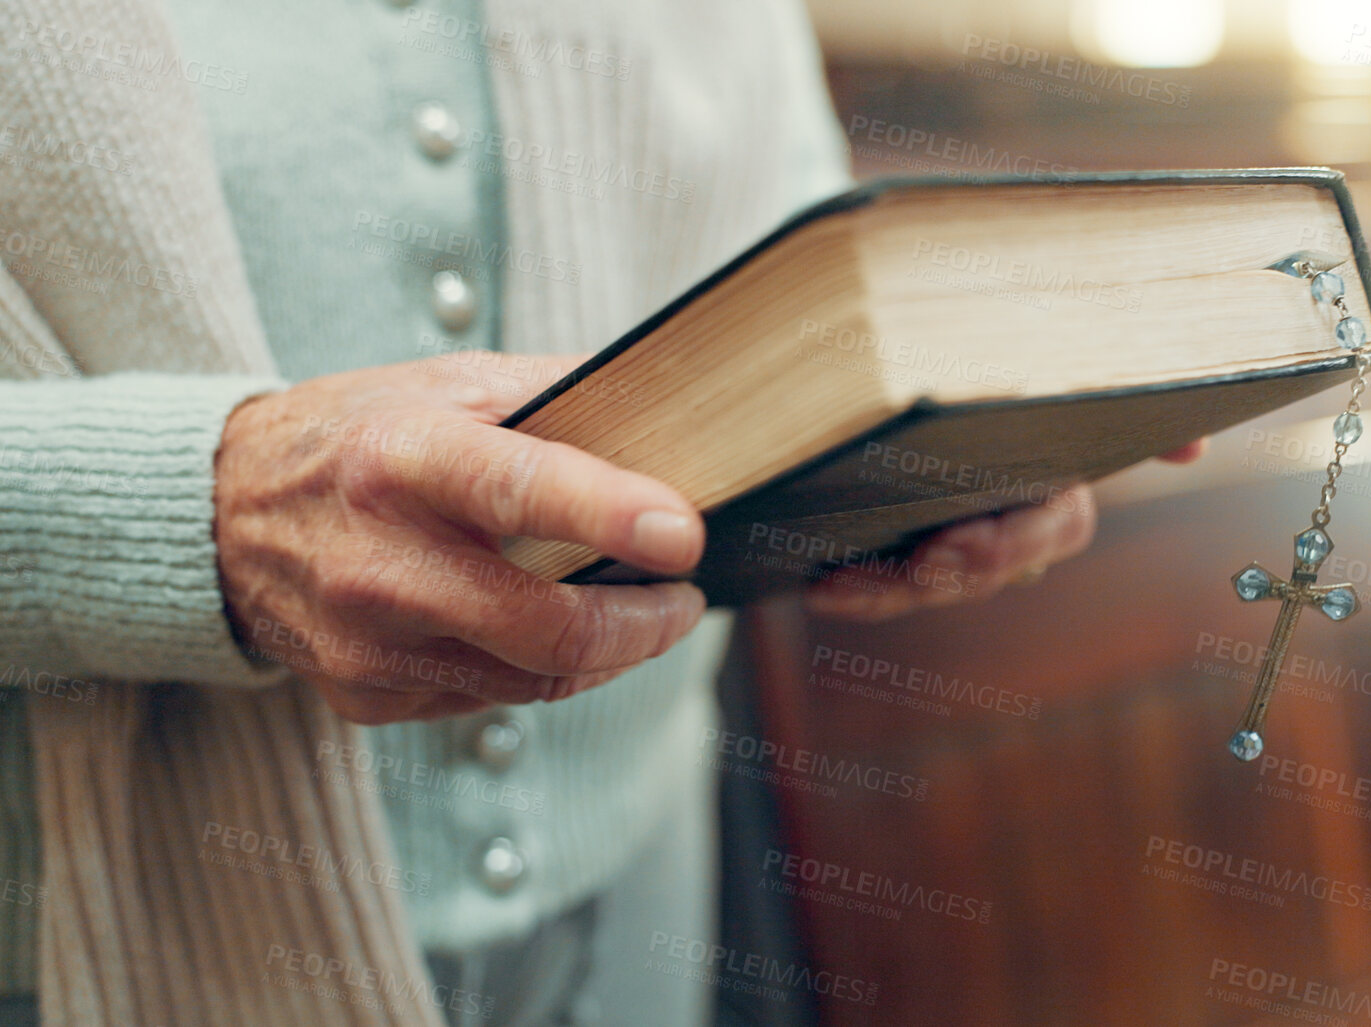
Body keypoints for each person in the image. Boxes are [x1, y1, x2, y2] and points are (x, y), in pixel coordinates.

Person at [0, 0, 1205, 1023]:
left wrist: (899, 460)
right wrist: (188, 510)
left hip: (643, 880)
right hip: (73, 919)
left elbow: (787, 238)